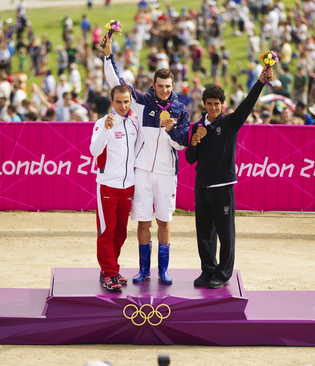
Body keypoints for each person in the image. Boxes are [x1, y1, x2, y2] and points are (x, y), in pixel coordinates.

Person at [102, 34, 190, 286]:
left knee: (164, 220)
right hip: (141, 171)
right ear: (154, 85)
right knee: (142, 221)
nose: (164, 89)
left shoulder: (180, 110)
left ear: (173, 85)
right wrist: (108, 56)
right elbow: (116, 82)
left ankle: (163, 271)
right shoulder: (141, 102)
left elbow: (182, 144)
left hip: (165, 173)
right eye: (160, 85)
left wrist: (170, 129)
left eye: (168, 86)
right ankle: (144, 271)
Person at [185, 65, 273, 289]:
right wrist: (194, 141)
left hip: (223, 186)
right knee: (204, 233)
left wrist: (261, 81)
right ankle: (208, 270)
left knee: (225, 233)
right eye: (210, 103)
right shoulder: (197, 127)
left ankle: (223, 273)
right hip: (202, 186)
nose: (213, 107)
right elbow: (190, 159)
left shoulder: (230, 123)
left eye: (217, 104)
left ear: (222, 105)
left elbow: (247, 104)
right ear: (204, 104)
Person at [89, 85, 139, 292]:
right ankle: (110, 272)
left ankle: (110, 268)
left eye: (126, 101)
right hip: (108, 185)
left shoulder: (135, 123)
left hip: (128, 186)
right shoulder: (102, 123)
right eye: (118, 101)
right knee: (106, 232)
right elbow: (94, 150)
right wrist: (107, 131)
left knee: (121, 233)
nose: (123, 105)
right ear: (112, 102)